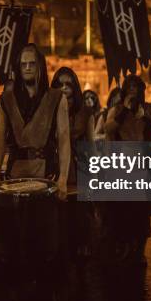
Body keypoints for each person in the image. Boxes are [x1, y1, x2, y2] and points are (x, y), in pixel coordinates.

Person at [0, 43, 70, 200]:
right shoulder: (6, 100)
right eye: (23, 64)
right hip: (14, 174)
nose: (27, 68)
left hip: (47, 173)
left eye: (32, 63)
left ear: (40, 65)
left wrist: (63, 179)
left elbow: (64, 140)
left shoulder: (57, 98)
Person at [103, 74, 151, 266]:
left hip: (143, 166)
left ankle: (140, 250)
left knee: (141, 211)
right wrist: (124, 112)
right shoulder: (117, 110)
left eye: (135, 89)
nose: (133, 93)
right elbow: (108, 128)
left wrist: (144, 116)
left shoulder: (150, 108)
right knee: (123, 209)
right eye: (129, 89)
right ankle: (125, 247)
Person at [51, 67, 97, 258]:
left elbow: (91, 144)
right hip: (55, 165)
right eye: (60, 84)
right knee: (57, 213)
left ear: (74, 87)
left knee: (80, 213)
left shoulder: (85, 112)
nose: (64, 88)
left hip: (79, 166)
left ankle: (81, 249)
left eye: (68, 84)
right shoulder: (48, 109)